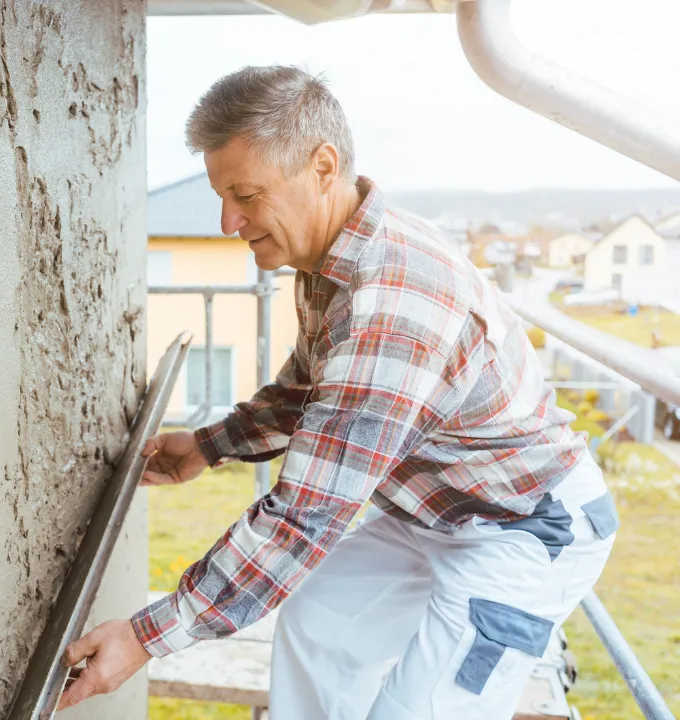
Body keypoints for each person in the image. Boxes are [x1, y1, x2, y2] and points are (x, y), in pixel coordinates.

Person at [56, 66, 618, 719]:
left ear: (323, 166)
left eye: (245, 194)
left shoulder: (393, 303)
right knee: (318, 627)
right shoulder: (332, 263)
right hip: (431, 513)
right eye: (221, 195)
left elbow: (304, 518)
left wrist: (146, 636)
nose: (226, 221)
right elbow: (307, 391)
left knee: (421, 711)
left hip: (522, 527)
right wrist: (208, 447)